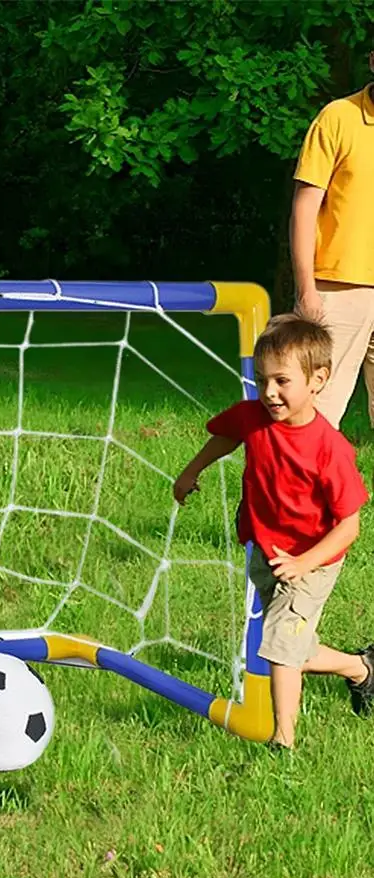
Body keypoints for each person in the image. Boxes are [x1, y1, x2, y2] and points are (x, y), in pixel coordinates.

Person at [173, 314, 372, 749]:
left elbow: (350, 525)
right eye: (262, 380)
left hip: (312, 560)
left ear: (318, 380)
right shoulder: (254, 417)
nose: (270, 392)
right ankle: (360, 669)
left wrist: (305, 561)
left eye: (282, 381)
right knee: (292, 644)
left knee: (280, 647)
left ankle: (282, 741)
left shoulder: (329, 448)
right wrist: (190, 472)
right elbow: (225, 436)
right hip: (267, 549)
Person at [289, 49, 374, 432]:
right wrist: (307, 289)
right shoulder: (337, 117)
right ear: (372, 61)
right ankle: (292, 492)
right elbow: (305, 207)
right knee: (313, 413)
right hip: (338, 289)